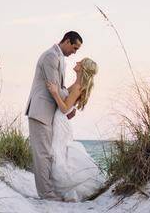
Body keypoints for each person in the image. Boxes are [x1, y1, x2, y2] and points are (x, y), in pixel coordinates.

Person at [24, 31, 82, 199]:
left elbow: (60, 90)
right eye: (74, 47)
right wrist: (68, 108)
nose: (75, 52)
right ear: (66, 41)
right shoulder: (51, 56)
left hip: (48, 113)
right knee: (42, 154)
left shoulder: (58, 57)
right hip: (40, 111)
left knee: (48, 153)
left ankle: (49, 190)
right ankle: (46, 194)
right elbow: (54, 87)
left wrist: (69, 103)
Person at [45, 56, 104, 201]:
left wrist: (54, 92)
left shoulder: (78, 87)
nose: (77, 62)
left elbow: (64, 108)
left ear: (83, 68)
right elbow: (68, 106)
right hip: (60, 119)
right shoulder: (77, 84)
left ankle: (58, 187)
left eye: (80, 62)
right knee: (58, 152)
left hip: (60, 120)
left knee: (58, 152)